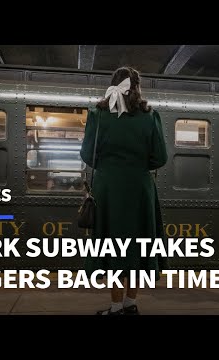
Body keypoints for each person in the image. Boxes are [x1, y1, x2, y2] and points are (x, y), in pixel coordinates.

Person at [80, 67, 168, 315]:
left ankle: (116, 307)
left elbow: (87, 155)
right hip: (140, 190)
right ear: (138, 87)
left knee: (114, 245)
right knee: (138, 246)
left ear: (113, 84)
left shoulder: (98, 114)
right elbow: (159, 158)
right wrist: (137, 165)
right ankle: (130, 303)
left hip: (109, 190)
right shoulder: (150, 116)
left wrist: (111, 165)